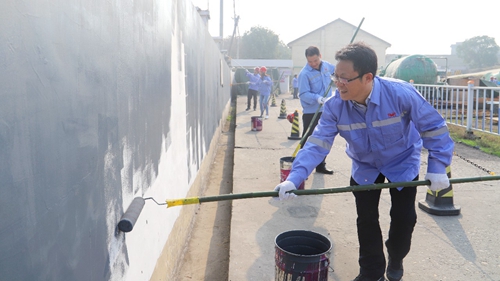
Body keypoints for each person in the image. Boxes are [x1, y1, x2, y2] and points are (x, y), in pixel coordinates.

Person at [274, 42, 454, 281]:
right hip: (364, 165)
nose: (338, 84)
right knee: (366, 220)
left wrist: (438, 167)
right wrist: (294, 178)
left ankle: (396, 255)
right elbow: (318, 143)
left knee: (404, 220)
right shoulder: (334, 106)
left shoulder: (400, 94)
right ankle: (371, 272)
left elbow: (433, 128)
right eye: (335, 76)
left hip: (402, 161)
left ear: (368, 77)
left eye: (345, 78)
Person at [298, 46, 335, 174]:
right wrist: (317, 98)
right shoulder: (304, 74)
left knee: (324, 138)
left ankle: (321, 165)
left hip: (326, 110)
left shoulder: (327, 66)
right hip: (311, 112)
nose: (313, 64)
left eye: (315, 60)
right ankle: (302, 168)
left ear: (320, 55)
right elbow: (303, 94)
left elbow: (336, 70)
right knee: (308, 140)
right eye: (310, 61)